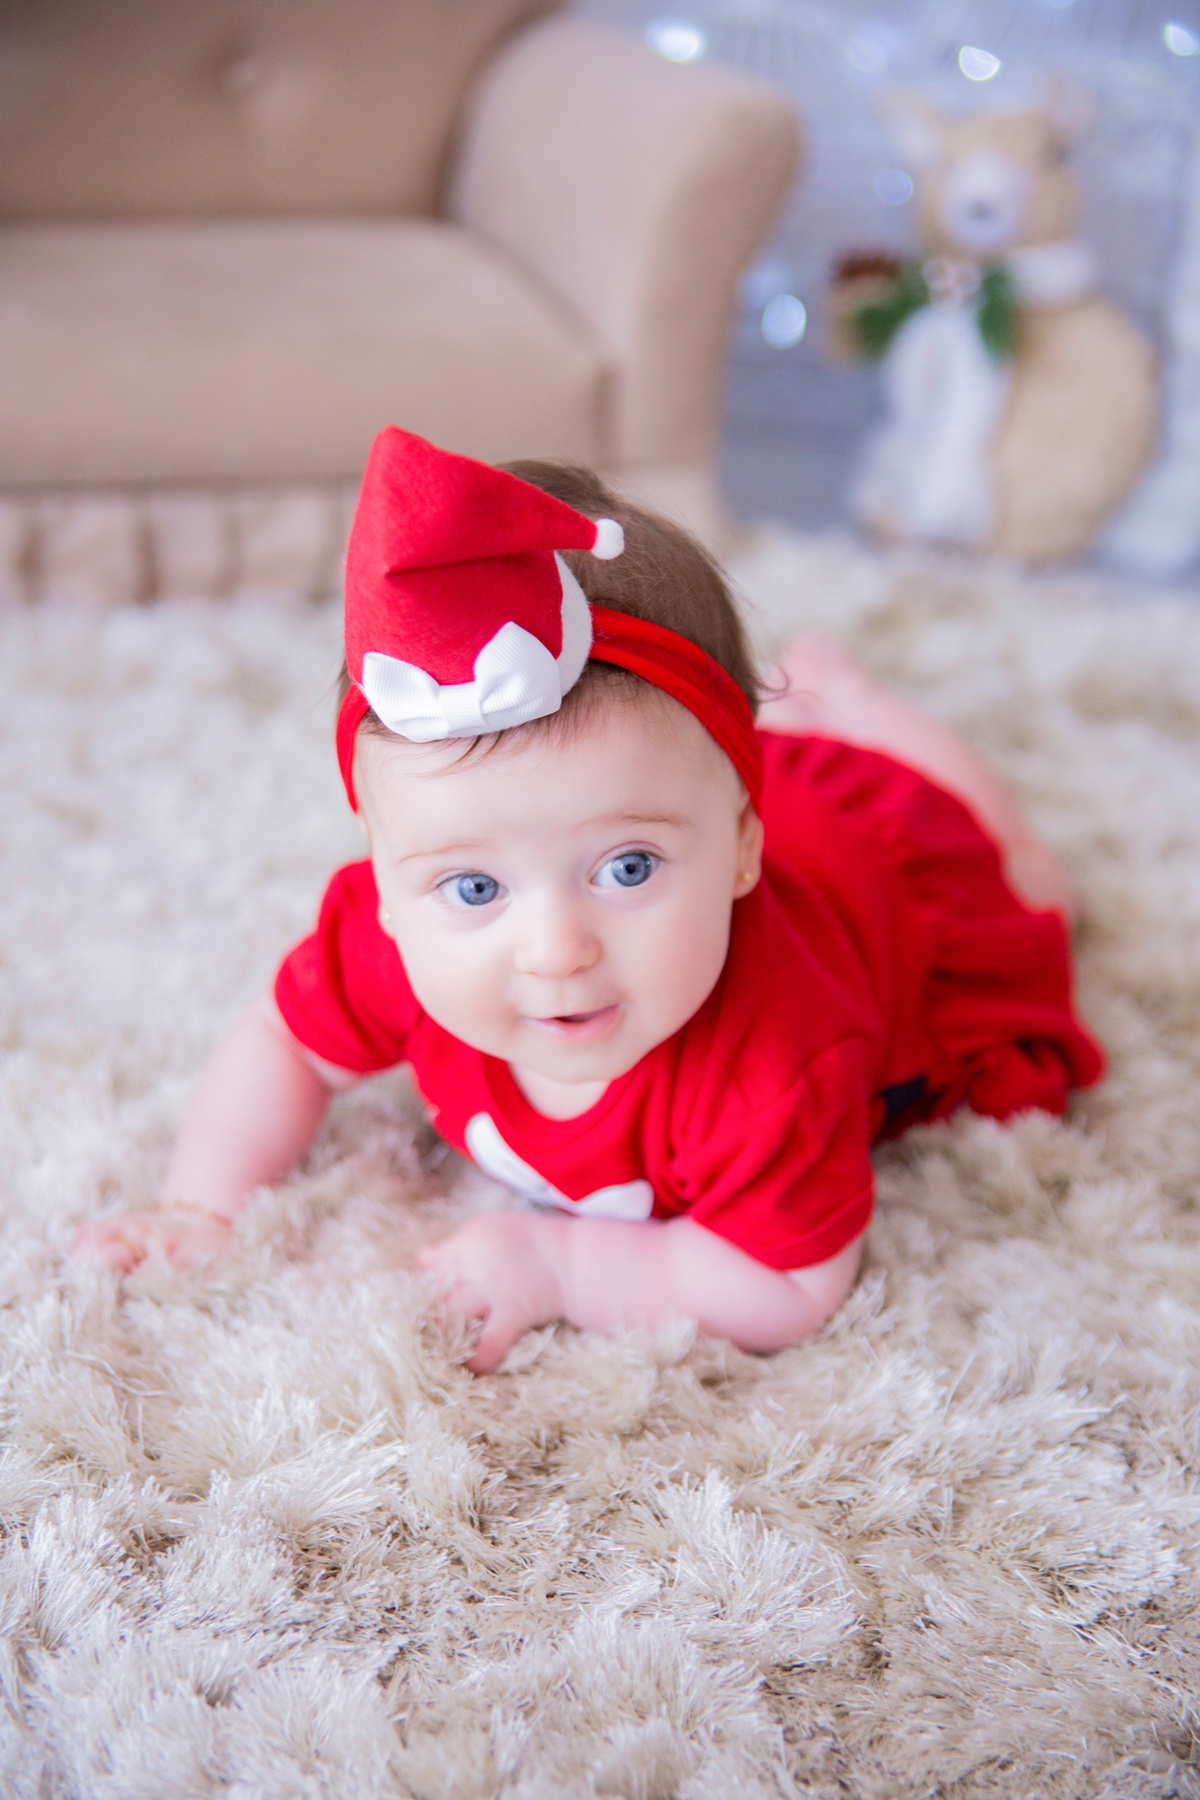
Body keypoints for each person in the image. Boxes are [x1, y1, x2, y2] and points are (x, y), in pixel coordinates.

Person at [74, 428, 1104, 1372]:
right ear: (383, 887)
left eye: (628, 869)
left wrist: (564, 1266)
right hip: (720, 790)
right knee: (716, 772)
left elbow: (792, 1282)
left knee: (1025, 879)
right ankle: (778, 744)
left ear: (743, 848)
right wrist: (201, 1204)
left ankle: (862, 709)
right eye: (475, 887)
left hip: (880, 870)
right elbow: (284, 1041)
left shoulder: (776, 1066)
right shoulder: (384, 942)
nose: (557, 949)